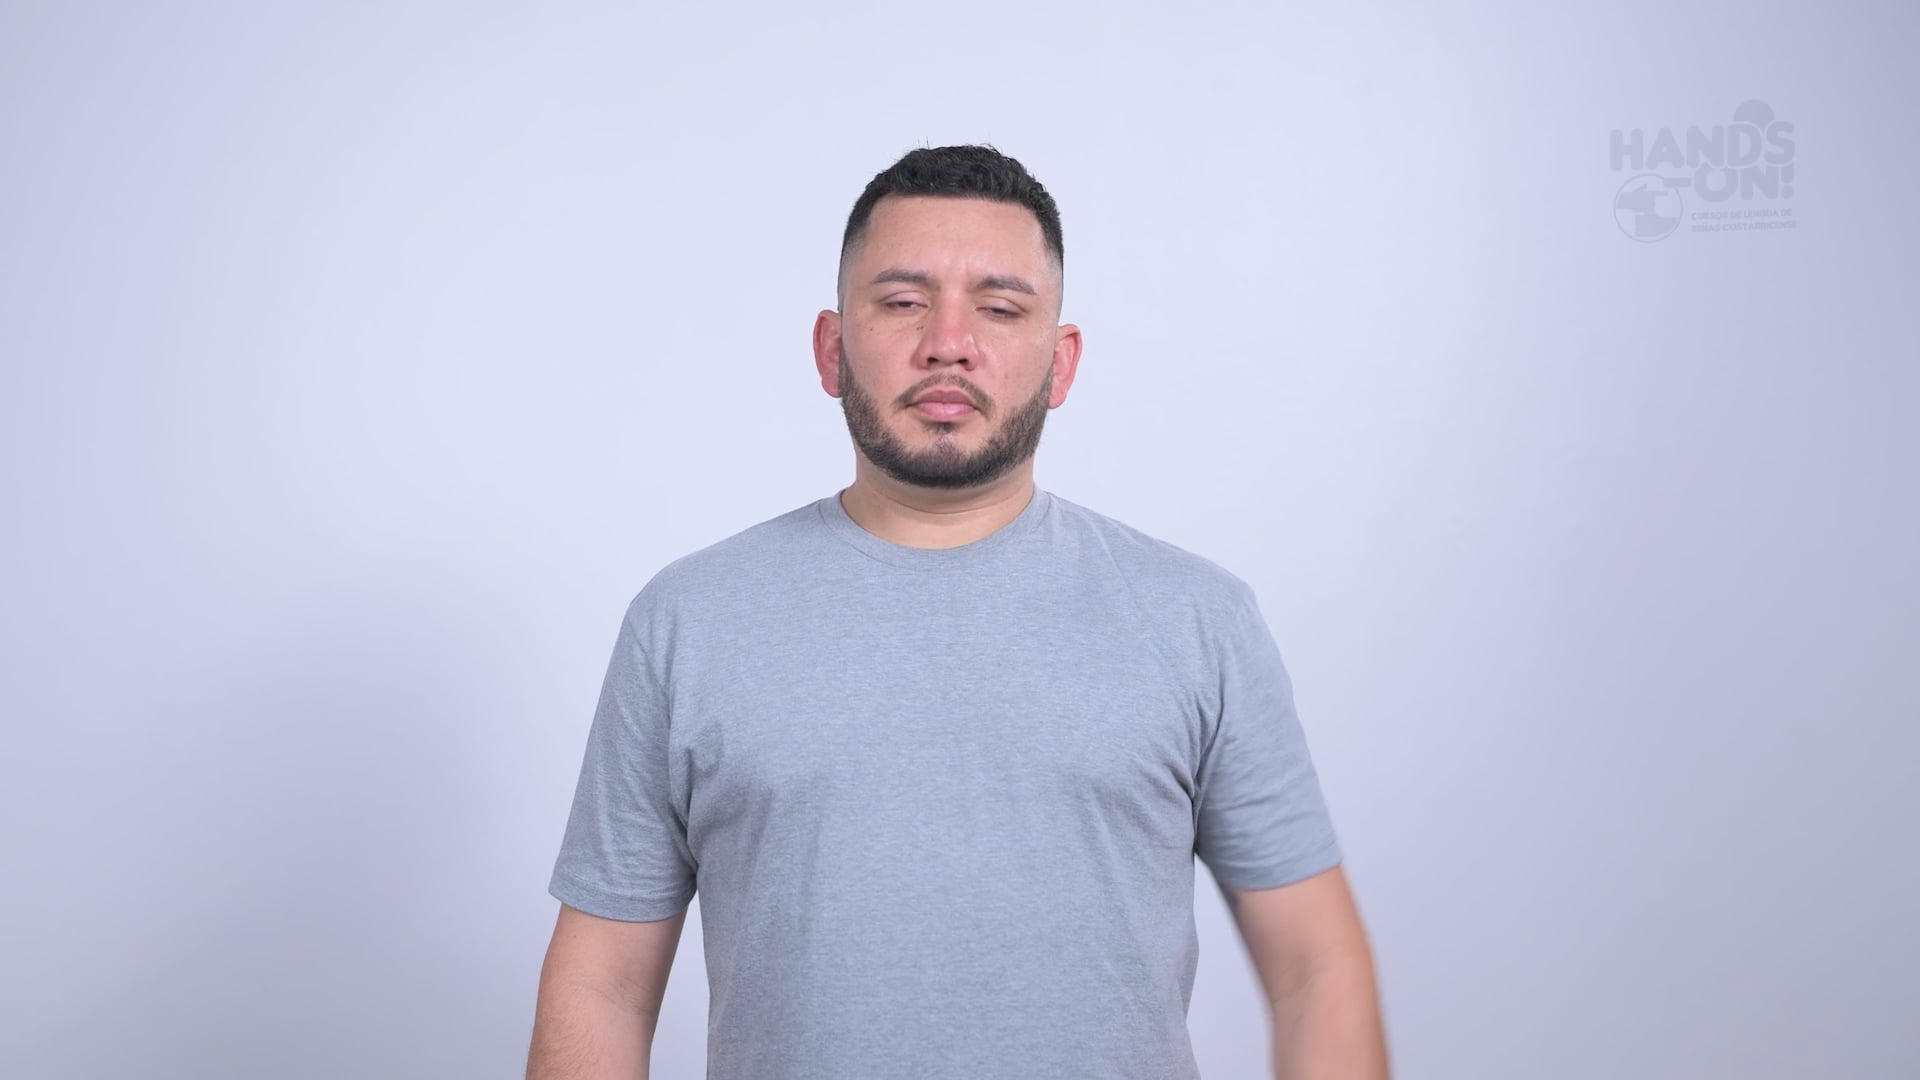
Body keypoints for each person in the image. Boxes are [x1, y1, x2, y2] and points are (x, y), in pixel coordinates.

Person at [526, 145, 1389, 1079]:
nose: (948, 341)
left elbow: (1314, 969)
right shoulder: (687, 622)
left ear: (1060, 363)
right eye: (903, 302)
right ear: (830, 349)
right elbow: (603, 986)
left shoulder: (1197, 620)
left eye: (1000, 308)